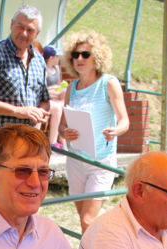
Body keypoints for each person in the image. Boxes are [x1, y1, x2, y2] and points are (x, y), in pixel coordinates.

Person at [0, 5, 49, 203]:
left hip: (28, 140)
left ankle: (18, 233)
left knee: (24, 194)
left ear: (37, 33)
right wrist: (19, 111)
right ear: (11, 25)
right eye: (20, 26)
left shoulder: (39, 60)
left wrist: (39, 115)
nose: (24, 33)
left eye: (30, 30)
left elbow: (45, 101)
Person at [59, 29, 130, 233]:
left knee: (88, 220)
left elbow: (124, 120)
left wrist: (115, 130)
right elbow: (62, 127)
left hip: (101, 161)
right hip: (75, 160)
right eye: (75, 55)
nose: (79, 59)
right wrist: (66, 132)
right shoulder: (71, 88)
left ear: (97, 56)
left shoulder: (109, 83)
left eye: (85, 54)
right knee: (84, 220)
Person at [43, 45, 66, 149]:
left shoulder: (56, 69)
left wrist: (61, 90)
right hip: (46, 99)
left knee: (65, 106)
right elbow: (42, 89)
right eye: (57, 56)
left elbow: (59, 84)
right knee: (57, 109)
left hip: (56, 98)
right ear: (51, 58)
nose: (59, 59)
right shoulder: (44, 70)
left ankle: (62, 139)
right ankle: (52, 142)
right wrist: (52, 91)